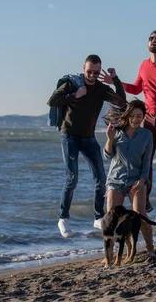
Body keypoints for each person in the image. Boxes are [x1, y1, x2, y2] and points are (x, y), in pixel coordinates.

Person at [104, 29, 156, 225]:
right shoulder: (143, 65)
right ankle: (145, 200)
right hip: (147, 120)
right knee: (144, 160)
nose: (153, 41)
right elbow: (136, 88)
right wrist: (115, 82)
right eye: (151, 38)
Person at [47, 54, 126, 238]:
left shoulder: (100, 88)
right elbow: (52, 101)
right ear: (83, 68)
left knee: (101, 177)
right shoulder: (72, 84)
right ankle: (63, 218)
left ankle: (98, 216)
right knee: (72, 178)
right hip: (69, 136)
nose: (92, 75)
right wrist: (75, 95)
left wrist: (115, 80)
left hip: (88, 137)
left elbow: (122, 103)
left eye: (96, 73)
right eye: (89, 71)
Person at [103, 100, 156, 260]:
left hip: (136, 180)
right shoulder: (116, 131)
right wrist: (110, 139)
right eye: (132, 116)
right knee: (111, 217)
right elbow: (106, 155)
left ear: (143, 117)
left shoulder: (147, 135)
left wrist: (142, 180)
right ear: (127, 116)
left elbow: (147, 161)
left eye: (139, 116)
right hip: (116, 180)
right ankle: (109, 255)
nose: (135, 119)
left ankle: (150, 249)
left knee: (140, 214)